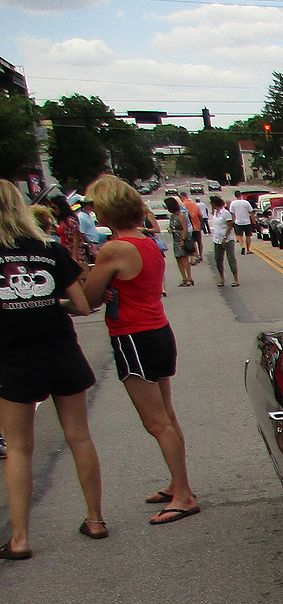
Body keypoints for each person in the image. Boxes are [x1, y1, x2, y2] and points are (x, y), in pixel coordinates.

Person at [82, 174, 200, 527]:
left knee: (155, 421)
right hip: (158, 331)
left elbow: (88, 298)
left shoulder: (115, 248)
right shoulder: (149, 242)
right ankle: (178, 483)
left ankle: (184, 495)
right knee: (167, 414)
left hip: (133, 336)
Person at [0, 179, 105, 559]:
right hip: (60, 351)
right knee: (79, 436)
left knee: (18, 448)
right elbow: (81, 305)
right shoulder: (50, 249)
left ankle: (21, 538)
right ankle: (95, 519)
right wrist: (46, 304)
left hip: (13, 358)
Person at [207, 193, 238, 286]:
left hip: (227, 239)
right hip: (217, 239)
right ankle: (222, 278)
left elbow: (230, 226)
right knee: (218, 259)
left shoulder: (225, 213)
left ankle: (235, 278)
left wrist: (225, 237)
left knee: (231, 259)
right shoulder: (215, 213)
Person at [164, 196, 194, 286]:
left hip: (182, 238)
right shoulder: (172, 216)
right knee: (178, 259)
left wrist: (183, 240)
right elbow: (172, 226)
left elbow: (185, 228)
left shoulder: (181, 215)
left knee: (184, 258)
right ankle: (183, 278)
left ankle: (189, 277)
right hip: (175, 239)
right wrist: (170, 229)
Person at [52, 196, 86, 267]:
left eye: (54, 208)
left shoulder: (70, 220)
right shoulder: (61, 221)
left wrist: (74, 256)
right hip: (65, 251)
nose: (53, 211)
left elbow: (76, 239)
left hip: (73, 251)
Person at [229, 189, 256, 254]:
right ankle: (248, 249)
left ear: (235, 196)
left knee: (239, 236)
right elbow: (251, 212)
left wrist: (232, 221)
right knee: (248, 236)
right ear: (240, 195)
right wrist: (254, 221)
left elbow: (232, 214)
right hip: (247, 222)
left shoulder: (233, 203)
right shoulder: (246, 202)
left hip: (238, 222)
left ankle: (242, 246)